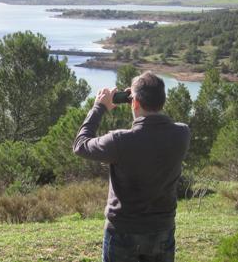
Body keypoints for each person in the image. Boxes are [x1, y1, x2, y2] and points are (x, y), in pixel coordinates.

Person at [72, 71, 190, 262]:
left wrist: (98, 107)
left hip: (123, 232)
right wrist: (137, 102)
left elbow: (80, 145)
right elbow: (151, 133)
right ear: (162, 100)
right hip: (162, 229)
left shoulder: (119, 141)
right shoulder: (182, 133)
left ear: (134, 102)